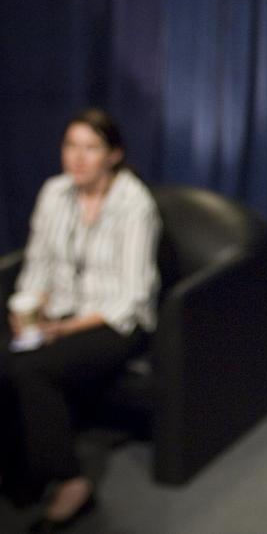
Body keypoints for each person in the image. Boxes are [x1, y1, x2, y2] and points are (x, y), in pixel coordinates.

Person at [3, 108, 160, 530]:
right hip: (58, 314)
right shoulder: (54, 193)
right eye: (71, 146)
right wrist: (27, 310)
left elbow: (132, 296)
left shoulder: (134, 203)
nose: (78, 157)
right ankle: (22, 472)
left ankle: (71, 482)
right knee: (10, 361)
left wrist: (62, 330)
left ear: (113, 155)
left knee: (33, 371)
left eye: (91, 148)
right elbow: (37, 265)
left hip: (114, 322)